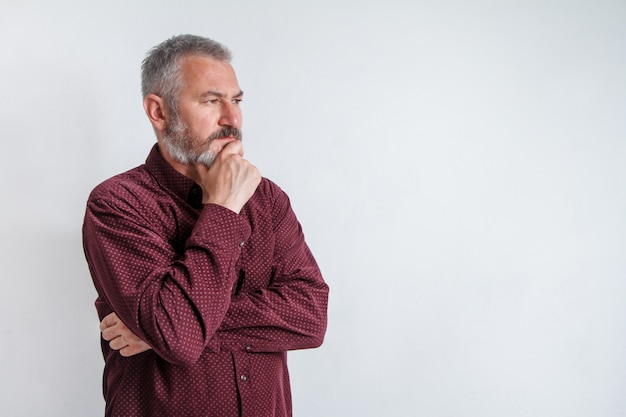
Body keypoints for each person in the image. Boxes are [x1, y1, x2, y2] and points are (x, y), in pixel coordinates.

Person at [82, 34, 329, 417]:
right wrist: (224, 207)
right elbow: (177, 336)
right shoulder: (117, 204)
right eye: (212, 101)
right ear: (158, 112)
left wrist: (165, 329)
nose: (232, 119)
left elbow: (310, 317)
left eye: (237, 100)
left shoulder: (268, 199)